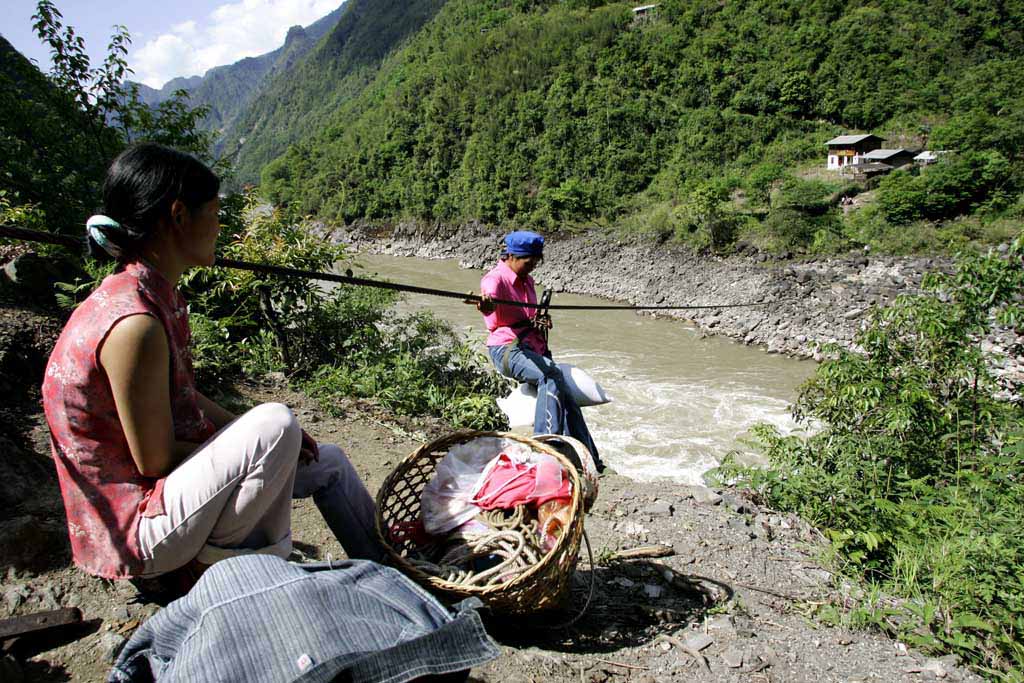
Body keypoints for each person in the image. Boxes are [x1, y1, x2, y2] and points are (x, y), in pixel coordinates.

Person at [42, 143, 384, 590]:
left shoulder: (148, 294)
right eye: (215, 213)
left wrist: (267, 439)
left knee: (325, 459)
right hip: (140, 529)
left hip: (166, 500)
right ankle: (246, 578)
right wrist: (264, 443)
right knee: (277, 424)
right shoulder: (134, 323)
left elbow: (182, 395)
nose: (220, 226)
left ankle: (391, 566)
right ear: (180, 216)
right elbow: (154, 459)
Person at [475, 230, 604, 472]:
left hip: (531, 344)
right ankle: (544, 446)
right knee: (550, 374)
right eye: (528, 261)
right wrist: (486, 306)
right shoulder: (495, 279)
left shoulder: (528, 281)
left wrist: (537, 321)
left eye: (536, 260)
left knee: (564, 394)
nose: (533, 265)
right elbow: (488, 300)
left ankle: (588, 457)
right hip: (507, 349)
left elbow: (528, 316)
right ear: (511, 255)